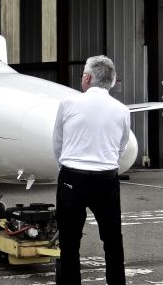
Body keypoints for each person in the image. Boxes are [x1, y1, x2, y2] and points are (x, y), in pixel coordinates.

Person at [52, 55, 130, 285]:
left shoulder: (68, 104)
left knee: (69, 240)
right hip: (106, 179)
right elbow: (121, 145)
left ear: (87, 77)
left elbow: (58, 143)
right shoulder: (122, 110)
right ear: (112, 82)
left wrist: (66, 166)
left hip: (72, 177)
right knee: (112, 239)